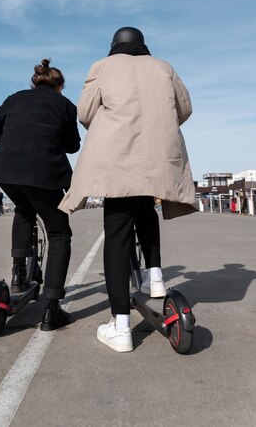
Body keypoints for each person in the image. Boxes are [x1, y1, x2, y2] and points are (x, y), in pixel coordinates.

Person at [59, 27, 197, 352]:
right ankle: (156, 277)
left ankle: (121, 326)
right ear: (143, 47)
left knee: (117, 233)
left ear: (114, 48)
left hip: (117, 158)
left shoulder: (102, 67)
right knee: (147, 207)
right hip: (156, 155)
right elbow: (185, 108)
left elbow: (85, 113)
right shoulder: (164, 67)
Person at [0, 59, 80, 331]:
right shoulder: (65, 105)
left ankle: (18, 274)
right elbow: (72, 146)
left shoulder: (15, 99)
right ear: (60, 86)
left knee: (24, 210)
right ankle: (50, 307)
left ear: (35, 82)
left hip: (6, 170)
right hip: (44, 174)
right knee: (59, 233)